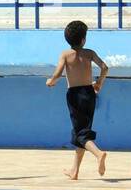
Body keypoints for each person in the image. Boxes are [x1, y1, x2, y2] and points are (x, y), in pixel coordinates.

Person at [46, 20, 109, 180]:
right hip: (89, 93)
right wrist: (99, 82)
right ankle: (75, 170)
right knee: (81, 131)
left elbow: (58, 73)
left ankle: (98, 153)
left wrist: (50, 82)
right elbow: (104, 67)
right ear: (83, 39)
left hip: (74, 95)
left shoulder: (66, 54)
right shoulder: (89, 53)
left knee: (81, 132)